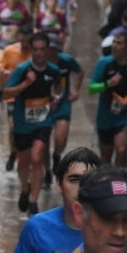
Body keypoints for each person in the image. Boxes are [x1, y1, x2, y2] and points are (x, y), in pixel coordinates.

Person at [0, 146, 100, 253]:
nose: (81, 188)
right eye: (74, 180)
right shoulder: (38, 227)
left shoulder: (117, 229)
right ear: (59, 184)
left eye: (89, 181)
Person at [3, 31, 61, 216]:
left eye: (42, 49)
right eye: (35, 50)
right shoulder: (22, 70)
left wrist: (55, 99)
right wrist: (25, 85)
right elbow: (6, 93)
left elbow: (58, 89)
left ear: (47, 50)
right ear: (30, 50)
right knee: (24, 163)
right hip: (22, 123)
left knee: (37, 158)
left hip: (43, 121)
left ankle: (34, 200)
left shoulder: (53, 70)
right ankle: (25, 188)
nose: (38, 53)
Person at [88, 31, 127, 167]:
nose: (114, 46)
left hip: (126, 115)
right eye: (114, 42)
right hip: (105, 116)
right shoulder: (104, 63)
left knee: (121, 150)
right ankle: (106, 182)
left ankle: (120, 184)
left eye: (119, 43)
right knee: (106, 156)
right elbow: (91, 88)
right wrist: (108, 84)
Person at [0, 24, 33, 172]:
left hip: (32, 97)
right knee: (13, 126)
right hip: (13, 96)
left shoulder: (36, 54)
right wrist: (2, 90)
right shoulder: (9, 51)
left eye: (28, 42)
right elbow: (1, 71)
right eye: (23, 41)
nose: (25, 45)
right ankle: (13, 153)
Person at [46, 39, 83, 177]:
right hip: (44, 106)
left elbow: (79, 72)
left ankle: (56, 155)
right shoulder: (40, 62)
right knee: (43, 141)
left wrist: (75, 90)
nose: (53, 52)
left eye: (56, 49)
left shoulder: (67, 60)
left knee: (61, 138)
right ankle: (47, 171)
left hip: (62, 103)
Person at [0, 0, 32, 69]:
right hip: (2, 40)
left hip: (15, 43)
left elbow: (27, 27)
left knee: (13, 67)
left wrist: (19, 30)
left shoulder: (23, 10)